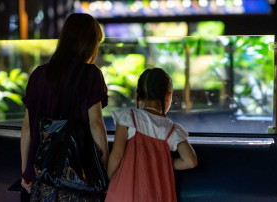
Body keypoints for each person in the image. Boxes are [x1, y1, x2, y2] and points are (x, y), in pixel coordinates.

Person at [20, 13, 108, 201]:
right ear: (90, 43)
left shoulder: (38, 75)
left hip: (41, 176)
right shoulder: (91, 75)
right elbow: (96, 125)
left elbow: (28, 127)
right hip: (77, 179)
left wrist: (26, 172)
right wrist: (103, 168)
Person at [105, 68, 198, 202]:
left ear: (139, 95)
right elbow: (190, 161)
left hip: (125, 192)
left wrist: (110, 180)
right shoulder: (171, 130)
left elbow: (117, 154)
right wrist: (165, 161)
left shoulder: (129, 118)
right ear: (168, 95)